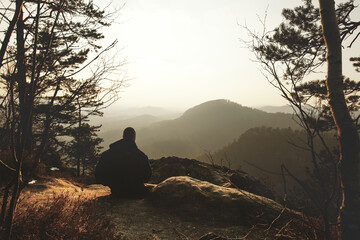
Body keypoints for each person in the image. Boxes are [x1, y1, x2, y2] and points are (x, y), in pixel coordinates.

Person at [95, 127, 152, 199]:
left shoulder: (107, 154)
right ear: (134, 138)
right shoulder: (141, 156)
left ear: (123, 137)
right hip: (136, 192)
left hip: (116, 191)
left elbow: (98, 174)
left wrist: (112, 183)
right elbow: (147, 176)